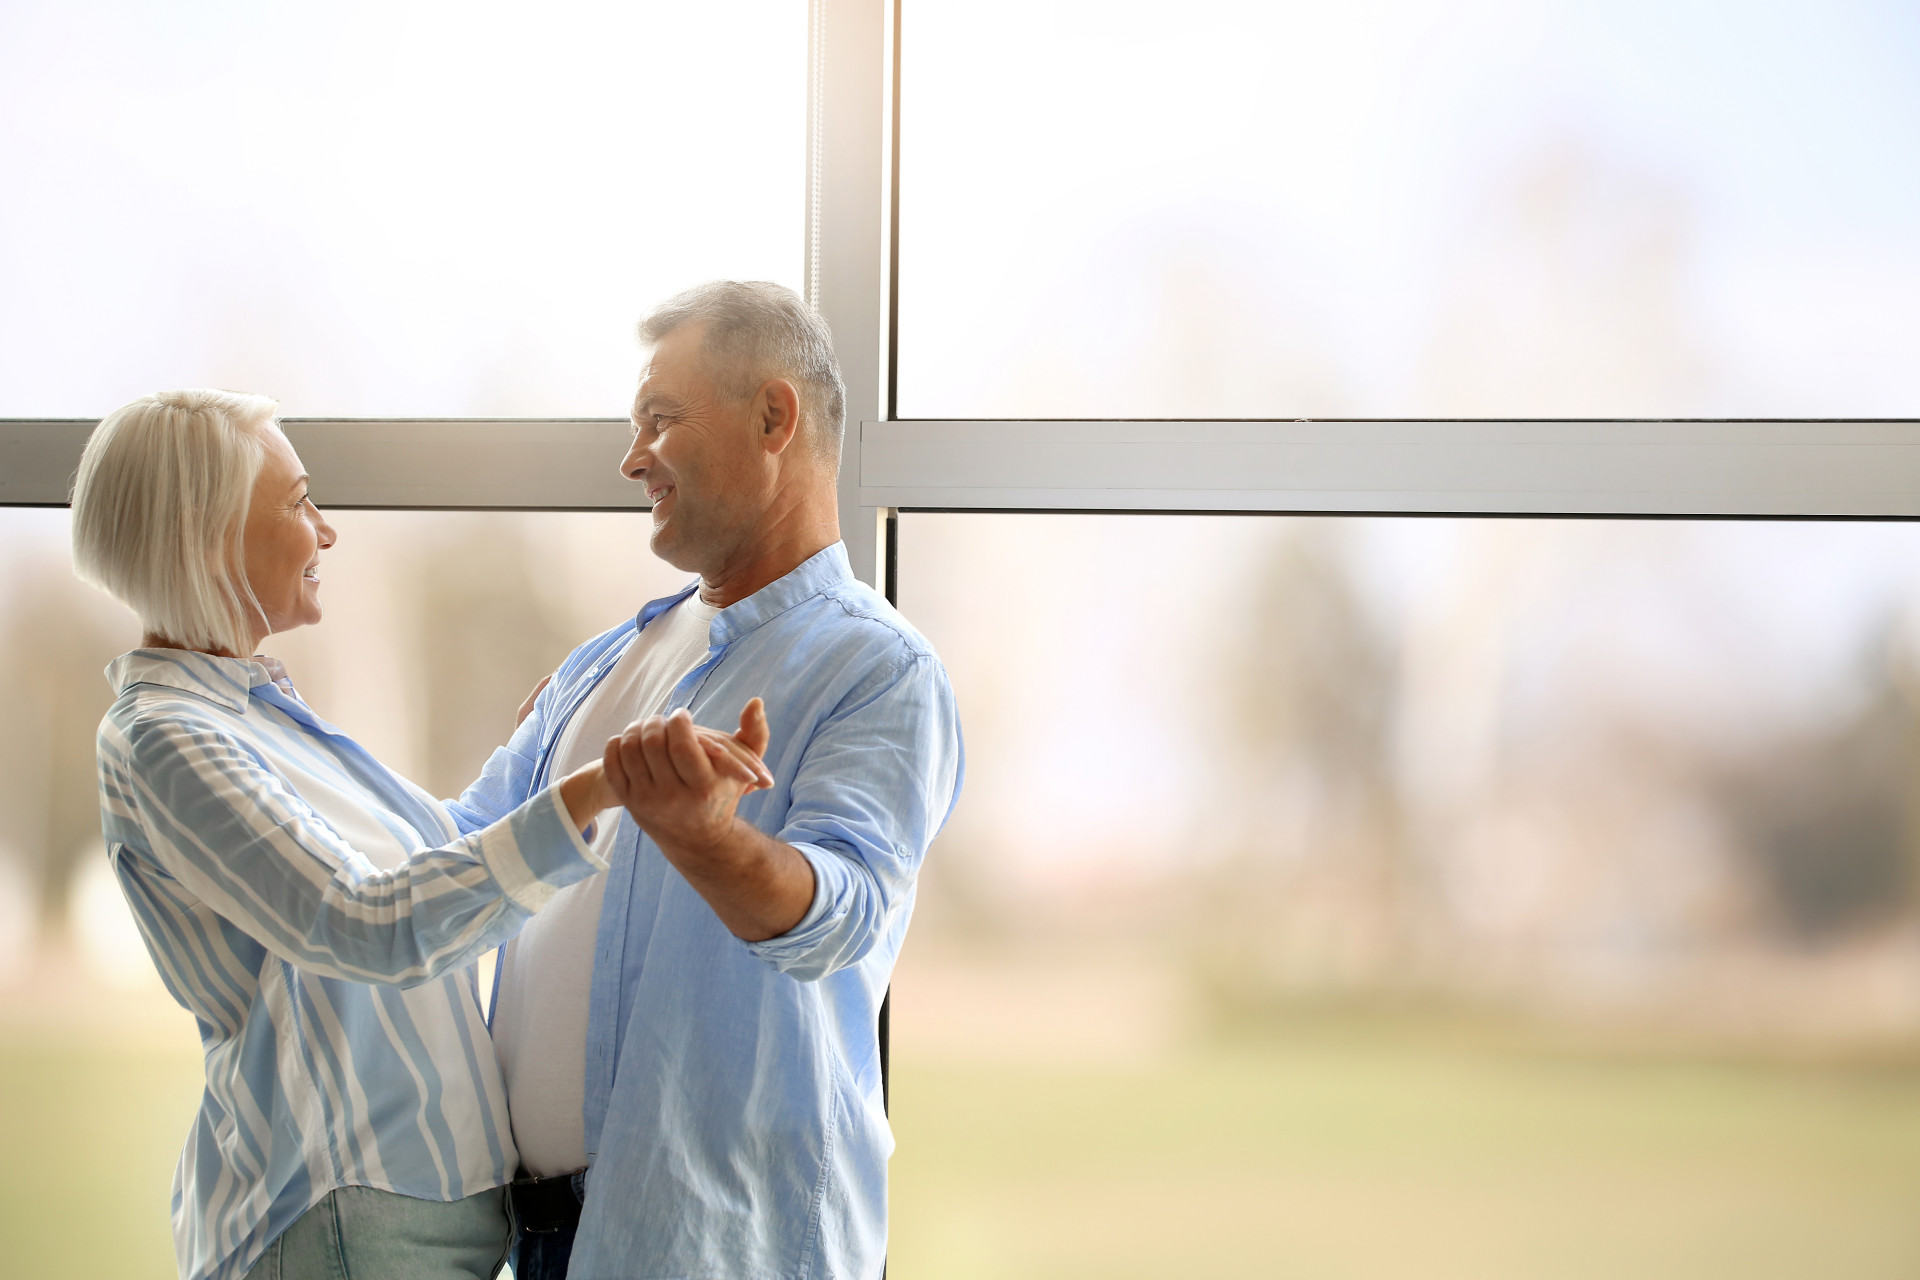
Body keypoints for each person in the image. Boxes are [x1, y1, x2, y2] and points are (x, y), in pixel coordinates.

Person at [71, 390, 770, 1280]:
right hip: (341, 1217)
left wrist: (563, 723)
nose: (324, 532)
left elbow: (445, 854)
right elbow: (371, 923)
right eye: (296, 502)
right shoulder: (168, 740)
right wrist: (600, 787)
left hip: (413, 1219)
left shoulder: (261, 720)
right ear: (204, 533)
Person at [455, 281, 963, 1279]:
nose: (632, 456)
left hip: (719, 1251)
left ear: (774, 416)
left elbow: (843, 914)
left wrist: (709, 838)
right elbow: (458, 849)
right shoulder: (601, 663)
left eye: (661, 418)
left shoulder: (879, 668)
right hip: (540, 1247)